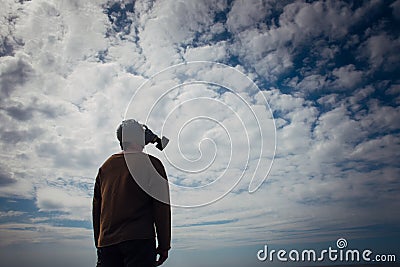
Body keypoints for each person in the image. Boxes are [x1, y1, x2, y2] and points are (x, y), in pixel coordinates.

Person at [92, 119, 171, 267]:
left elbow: (97, 209)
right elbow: (162, 208)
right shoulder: (153, 164)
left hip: (107, 244)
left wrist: (100, 243)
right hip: (140, 242)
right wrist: (164, 245)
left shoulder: (105, 167)